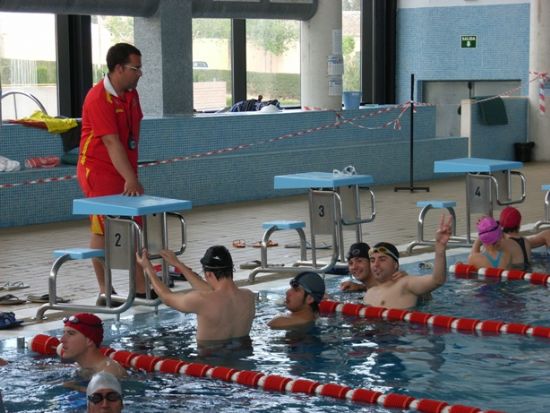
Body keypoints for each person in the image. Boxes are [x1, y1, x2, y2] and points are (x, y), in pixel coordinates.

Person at [77, 42, 150, 299]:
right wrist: (130, 177)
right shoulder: (98, 98)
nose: (140, 73)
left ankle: (141, 288)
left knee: (135, 225)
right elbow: (110, 141)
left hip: (123, 168)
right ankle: (104, 289)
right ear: (119, 68)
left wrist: (132, 174)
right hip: (97, 170)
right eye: (135, 68)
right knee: (103, 227)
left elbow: (131, 136)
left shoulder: (131, 94)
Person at [136, 246, 256, 346]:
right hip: (241, 361)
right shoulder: (249, 297)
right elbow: (214, 292)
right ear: (231, 270)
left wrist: (147, 268)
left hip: (209, 364)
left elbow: (166, 297)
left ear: (208, 274)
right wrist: (178, 264)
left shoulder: (201, 300)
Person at [363, 214, 453, 309]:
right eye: (372, 261)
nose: (376, 264)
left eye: (382, 259)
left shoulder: (405, 284)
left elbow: (437, 280)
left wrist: (439, 247)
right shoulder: (369, 294)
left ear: (395, 265)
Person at [61, 313, 127, 379]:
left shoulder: (107, 372)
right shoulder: (84, 366)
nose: (62, 340)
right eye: (63, 333)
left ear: (89, 341)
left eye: (71, 334)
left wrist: (70, 386)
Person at [340, 242, 407, 292]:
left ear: (370, 263)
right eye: (350, 263)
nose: (354, 267)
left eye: (359, 261)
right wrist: (360, 287)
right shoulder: (372, 288)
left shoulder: (397, 284)